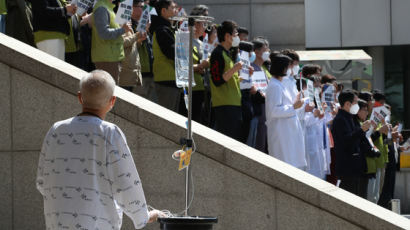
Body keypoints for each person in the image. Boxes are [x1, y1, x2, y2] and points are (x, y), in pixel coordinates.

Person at [36, 70, 163, 230]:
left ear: (80, 97)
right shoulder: (110, 133)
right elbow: (126, 182)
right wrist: (143, 216)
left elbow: (42, 180)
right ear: (112, 101)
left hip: (59, 222)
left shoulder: (56, 130)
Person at [265, 54, 306, 170]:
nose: (290, 70)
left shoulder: (279, 84)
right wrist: (294, 107)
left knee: (292, 164)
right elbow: (274, 110)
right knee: (284, 166)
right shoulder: (274, 86)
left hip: (288, 133)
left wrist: (297, 103)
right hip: (281, 133)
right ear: (282, 68)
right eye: (289, 67)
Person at [331, 90, 373, 196]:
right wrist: (361, 130)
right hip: (347, 166)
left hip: (354, 165)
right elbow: (346, 141)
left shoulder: (349, 117)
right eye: (355, 102)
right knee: (348, 197)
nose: (357, 105)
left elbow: (357, 138)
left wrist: (365, 130)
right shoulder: (340, 119)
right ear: (347, 104)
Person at [209, 20, 243, 141]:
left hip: (233, 103)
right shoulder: (217, 54)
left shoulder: (227, 53)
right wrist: (235, 68)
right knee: (229, 139)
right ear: (227, 36)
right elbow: (217, 80)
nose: (237, 37)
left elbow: (227, 77)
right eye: (235, 34)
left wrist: (238, 78)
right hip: (224, 104)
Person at [92, 0, 132, 83]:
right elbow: (103, 34)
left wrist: (122, 29)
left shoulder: (107, 7)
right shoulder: (101, 8)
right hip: (107, 58)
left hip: (111, 57)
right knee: (110, 92)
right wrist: (122, 29)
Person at [150, 0, 179, 111]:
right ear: (163, 11)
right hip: (166, 78)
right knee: (168, 116)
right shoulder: (162, 30)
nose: (176, 11)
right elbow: (172, 52)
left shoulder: (167, 29)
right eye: (173, 8)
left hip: (170, 78)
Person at [119, 0, 146, 92]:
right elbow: (120, 43)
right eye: (141, 7)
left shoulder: (128, 22)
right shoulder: (119, 22)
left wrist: (139, 41)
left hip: (132, 73)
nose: (143, 10)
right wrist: (136, 36)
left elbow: (131, 46)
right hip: (125, 74)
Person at [250, 38, 271, 153]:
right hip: (257, 112)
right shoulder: (251, 68)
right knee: (258, 145)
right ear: (257, 52)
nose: (268, 51)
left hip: (265, 112)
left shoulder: (263, 70)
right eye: (265, 49)